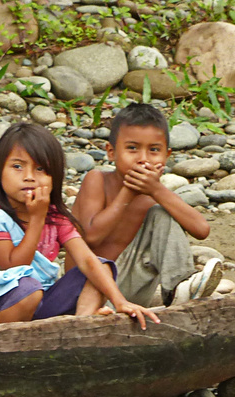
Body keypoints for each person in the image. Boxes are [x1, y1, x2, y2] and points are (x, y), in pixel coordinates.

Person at [0, 123, 159, 330]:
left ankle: (80, 325)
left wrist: (120, 301)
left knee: (99, 268)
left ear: (54, 178)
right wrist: (37, 218)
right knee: (27, 288)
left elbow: (86, 260)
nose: (28, 177)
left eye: (40, 169)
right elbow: (12, 266)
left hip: (40, 303)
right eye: (17, 166)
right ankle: (13, 345)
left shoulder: (54, 216)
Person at [72, 103, 222, 307]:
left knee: (162, 214)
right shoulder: (97, 180)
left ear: (166, 156)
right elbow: (92, 236)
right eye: (132, 148)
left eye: (153, 150)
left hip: (131, 290)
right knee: (161, 211)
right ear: (111, 152)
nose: (143, 159)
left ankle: (178, 289)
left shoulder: (156, 194)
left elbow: (202, 229)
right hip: (88, 291)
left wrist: (157, 190)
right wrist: (128, 192)